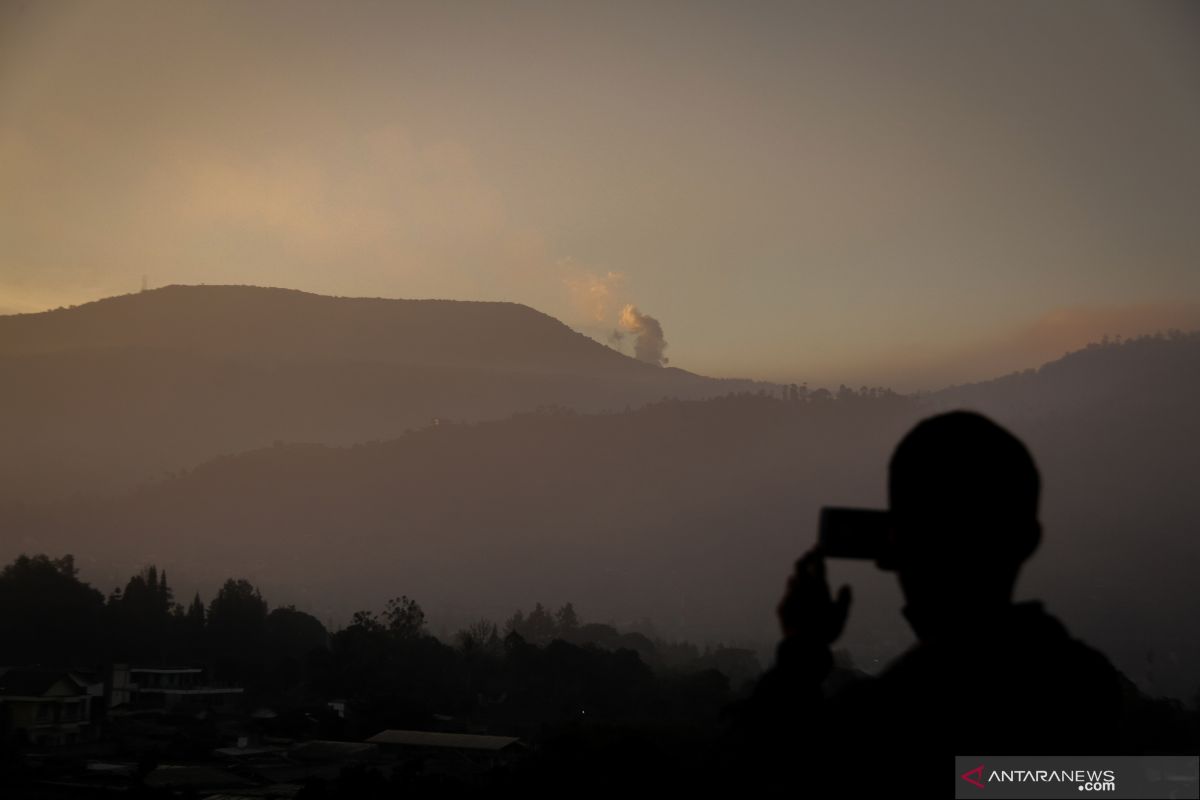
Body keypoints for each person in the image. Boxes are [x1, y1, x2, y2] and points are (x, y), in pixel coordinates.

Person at [716, 410, 1128, 791]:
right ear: (1028, 540)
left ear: (894, 545)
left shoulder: (891, 720)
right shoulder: (1090, 689)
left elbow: (755, 775)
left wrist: (800, 653)